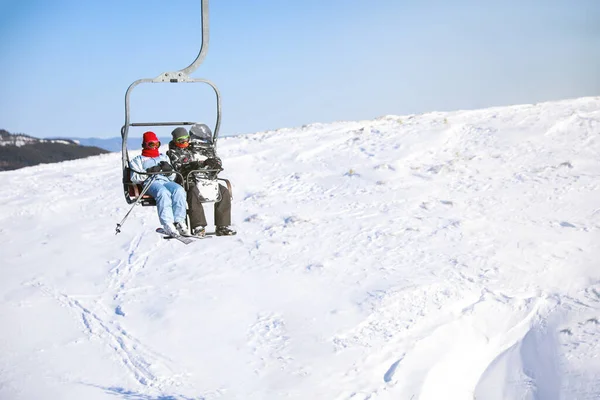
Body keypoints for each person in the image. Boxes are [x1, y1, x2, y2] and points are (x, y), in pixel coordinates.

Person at [167, 125, 236, 237]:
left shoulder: (194, 148)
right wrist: (198, 164)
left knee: (223, 191)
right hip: (186, 180)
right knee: (193, 192)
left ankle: (222, 226)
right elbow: (179, 167)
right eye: (180, 140)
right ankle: (198, 226)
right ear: (175, 141)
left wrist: (214, 163)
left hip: (203, 179)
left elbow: (207, 156)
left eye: (186, 139)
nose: (184, 142)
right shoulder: (174, 153)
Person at [130, 131, 190, 237]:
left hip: (165, 181)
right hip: (151, 182)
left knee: (179, 190)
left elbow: (172, 177)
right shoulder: (138, 160)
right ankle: (168, 224)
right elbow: (134, 177)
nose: (154, 147)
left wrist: (169, 172)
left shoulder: (163, 157)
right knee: (163, 192)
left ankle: (180, 222)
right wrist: (148, 172)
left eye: (157, 144)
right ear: (144, 145)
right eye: (151, 144)